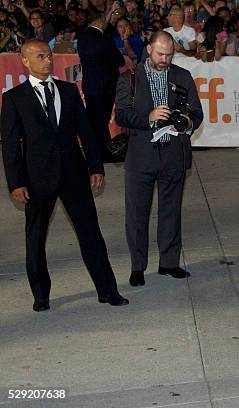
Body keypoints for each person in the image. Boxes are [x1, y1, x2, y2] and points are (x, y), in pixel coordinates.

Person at [1, 40, 129, 312]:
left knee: (91, 233)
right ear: (25, 61)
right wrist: (16, 183)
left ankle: (108, 290)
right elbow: (11, 146)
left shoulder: (69, 91)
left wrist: (95, 166)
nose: (47, 61)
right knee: (35, 238)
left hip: (74, 173)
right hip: (36, 179)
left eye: (48, 56)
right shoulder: (14, 99)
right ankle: (41, 295)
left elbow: (86, 132)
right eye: (40, 56)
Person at [114, 31, 203, 287]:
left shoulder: (181, 76)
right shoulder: (129, 79)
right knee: (137, 214)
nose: (165, 59)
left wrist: (187, 122)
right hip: (141, 156)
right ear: (149, 49)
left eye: (169, 54)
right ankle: (138, 266)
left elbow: (196, 112)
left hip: (173, 153)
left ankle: (169, 262)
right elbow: (121, 115)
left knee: (171, 210)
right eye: (161, 53)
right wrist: (149, 117)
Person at [78, 11, 125, 163]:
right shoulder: (104, 38)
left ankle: (93, 152)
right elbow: (120, 61)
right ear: (99, 21)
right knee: (101, 121)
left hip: (90, 86)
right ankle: (104, 153)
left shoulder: (82, 37)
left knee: (92, 120)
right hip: (105, 87)